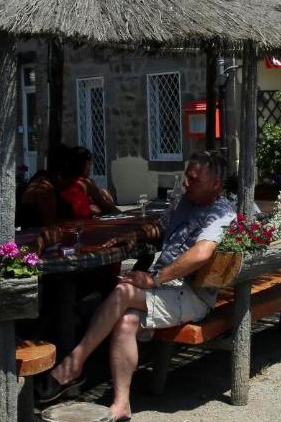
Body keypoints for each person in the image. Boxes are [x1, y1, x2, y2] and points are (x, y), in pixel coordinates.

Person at [37, 151, 235, 421]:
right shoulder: (185, 202)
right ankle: (121, 405)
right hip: (167, 288)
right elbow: (158, 227)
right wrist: (136, 235)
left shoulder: (221, 213)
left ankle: (73, 364)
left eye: (193, 179)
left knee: (122, 291)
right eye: (186, 177)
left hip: (192, 294)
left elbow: (202, 254)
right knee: (126, 320)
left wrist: (154, 278)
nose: (186, 183)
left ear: (215, 183)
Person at [19, 145, 119, 228]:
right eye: (69, 181)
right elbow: (50, 226)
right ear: (60, 176)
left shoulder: (43, 181)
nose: (69, 185)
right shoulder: (45, 190)